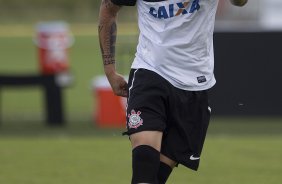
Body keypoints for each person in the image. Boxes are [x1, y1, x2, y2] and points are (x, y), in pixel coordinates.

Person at [98, 0, 248, 183]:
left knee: (156, 176)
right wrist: (109, 70)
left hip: (195, 83)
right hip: (150, 72)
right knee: (144, 161)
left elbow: (240, 2)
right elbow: (108, 8)